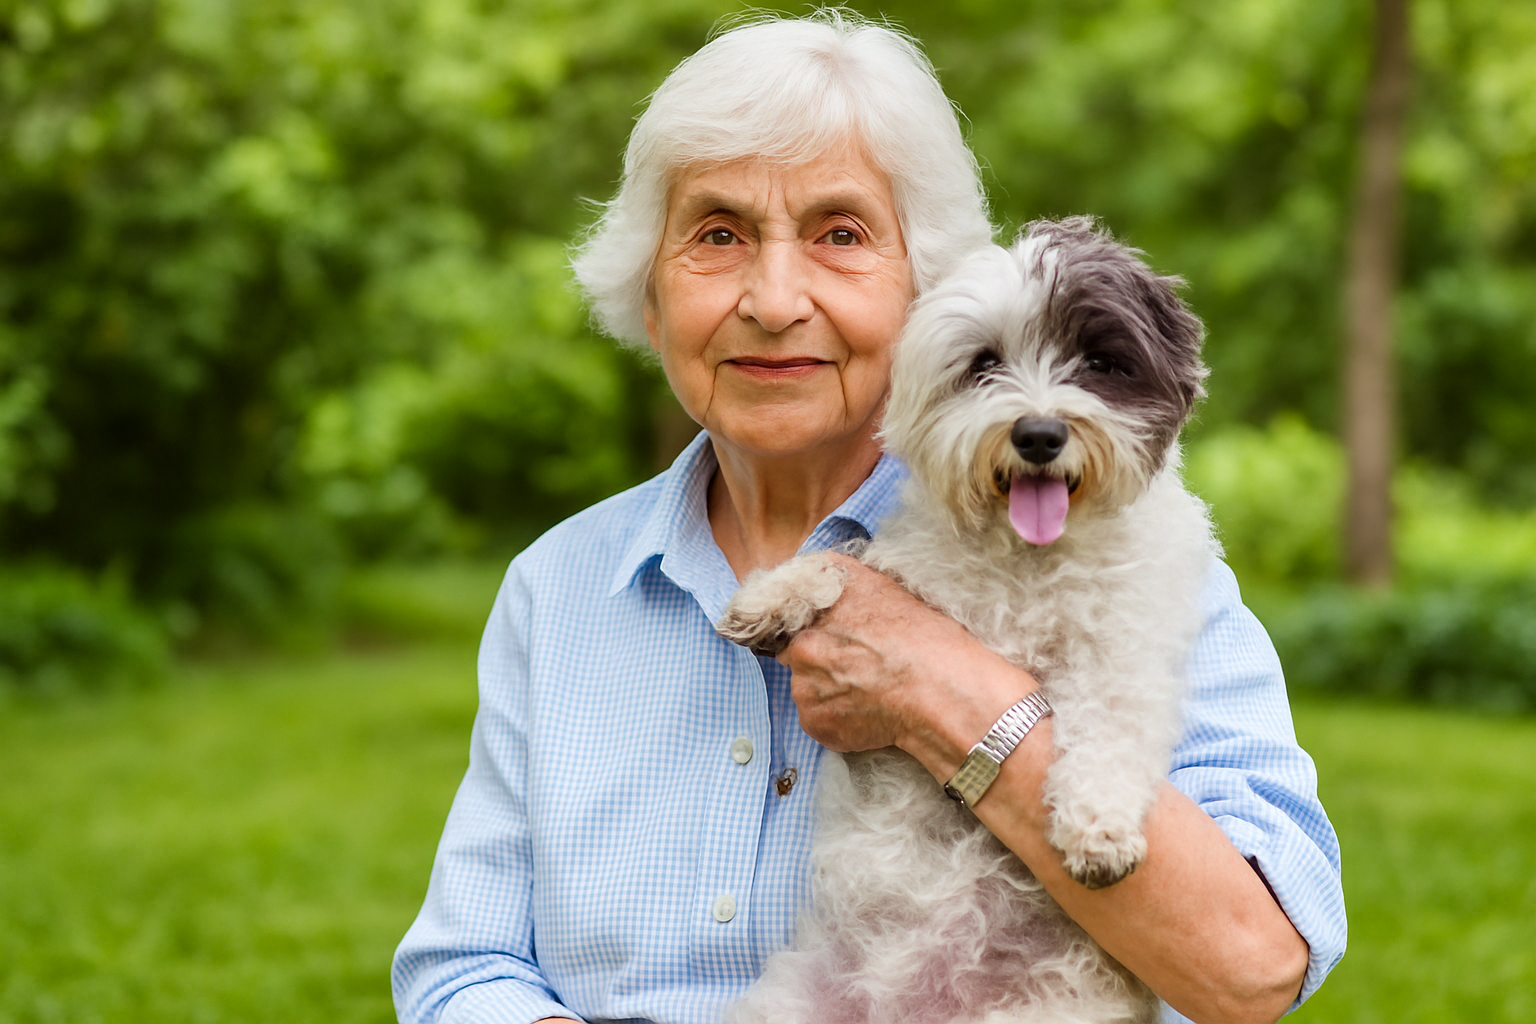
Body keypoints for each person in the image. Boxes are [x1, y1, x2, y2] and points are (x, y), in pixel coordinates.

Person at [392, 13, 1345, 1024]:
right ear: (651, 289)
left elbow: (1253, 969)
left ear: (927, 288)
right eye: (717, 234)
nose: (772, 297)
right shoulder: (562, 585)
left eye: (840, 234)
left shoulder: (1117, 549)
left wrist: (953, 698)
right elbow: (467, 968)